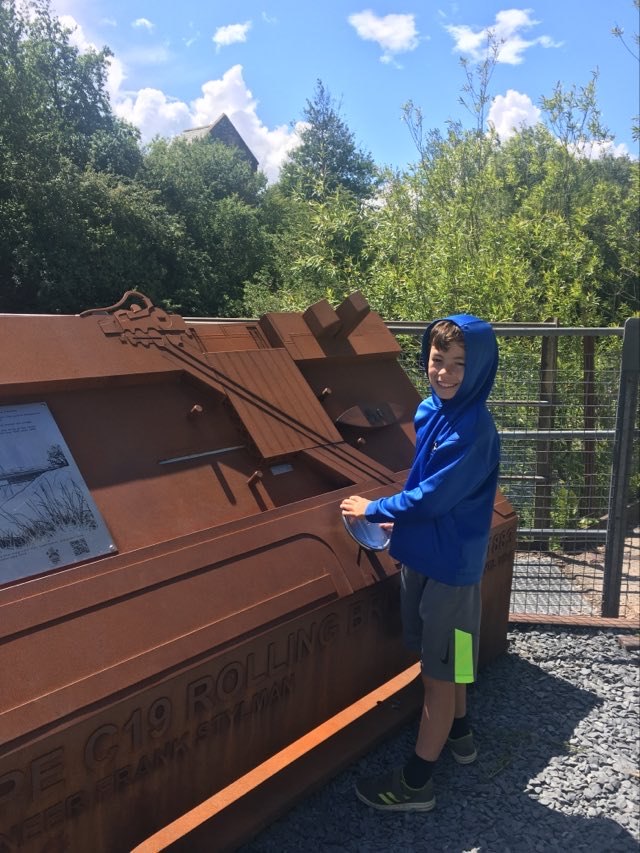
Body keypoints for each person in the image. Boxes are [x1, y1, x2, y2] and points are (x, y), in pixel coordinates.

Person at [340, 314, 500, 812]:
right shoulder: (432, 410)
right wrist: (399, 525)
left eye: (458, 365)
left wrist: (375, 509)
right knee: (457, 653)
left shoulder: (473, 429)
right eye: (437, 360)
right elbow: (423, 483)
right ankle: (462, 733)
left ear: (479, 371)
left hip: (450, 569)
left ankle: (415, 784)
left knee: (439, 672)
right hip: (426, 553)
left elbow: (432, 497)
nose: (445, 373)